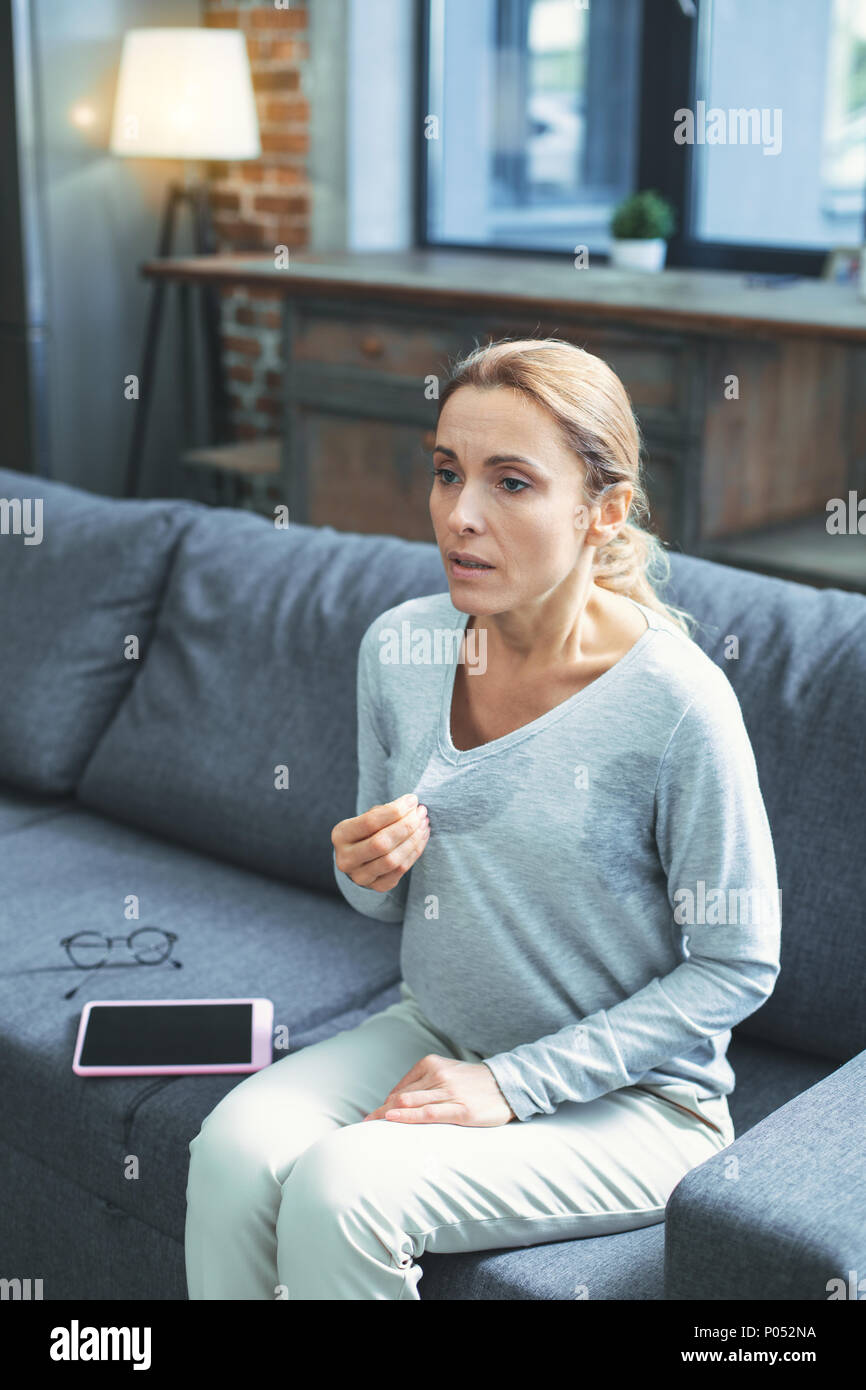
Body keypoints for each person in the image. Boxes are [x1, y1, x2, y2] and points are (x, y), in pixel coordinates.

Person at [184, 337, 781, 1301]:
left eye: (510, 483)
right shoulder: (403, 648)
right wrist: (361, 868)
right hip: (442, 1033)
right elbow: (382, 905)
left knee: (346, 1190)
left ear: (603, 512)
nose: (459, 516)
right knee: (231, 1155)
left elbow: (739, 963)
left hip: (637, 1103)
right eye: (447, 473)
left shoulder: (678, 704)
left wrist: (512, 1086)